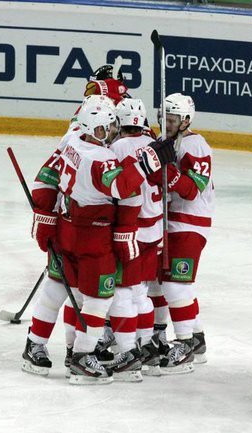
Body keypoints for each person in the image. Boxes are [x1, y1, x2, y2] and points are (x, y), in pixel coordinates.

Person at [22, 95, 176, 384]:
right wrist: (150, 161)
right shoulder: (100, 158)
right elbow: (122, 187)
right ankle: (81, 357)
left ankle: (34, 345)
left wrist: (45, 217)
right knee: (98, 299)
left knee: (56, 289)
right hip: (94, 237)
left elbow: (46, 176)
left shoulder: (71, 141)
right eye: (107, 127)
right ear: (95, 128)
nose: (113, 131)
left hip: (65, 229)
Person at [148, 93, 215, 374]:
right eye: (164, 117)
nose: (167, 123)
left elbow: (191, 189)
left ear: (186, 120)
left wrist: (165, 170)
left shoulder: (195, 144)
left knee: (175, 285)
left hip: (190, 223)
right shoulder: (165, 141)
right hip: (170, 220)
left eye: (173, 119)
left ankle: (185, 346)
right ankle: (195, 339)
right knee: (164, 282)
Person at [105, 98, 164, 379]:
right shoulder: (154, 145)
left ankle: (128, 353)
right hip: (155, 231)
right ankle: (146, 348)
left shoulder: (117, 148)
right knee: (141, 291)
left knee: (122, 293)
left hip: (131, 232)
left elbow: (112, 188)